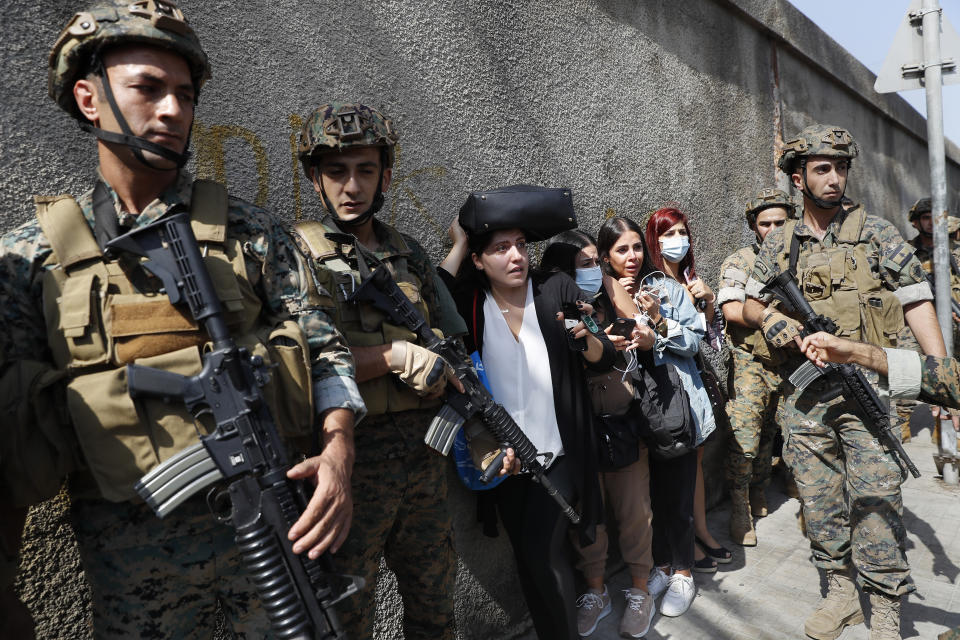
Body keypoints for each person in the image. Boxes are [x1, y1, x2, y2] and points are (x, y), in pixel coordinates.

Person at [0, 2, 362, 637]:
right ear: (89, 98)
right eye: (148, 88)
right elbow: (15, 426)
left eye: (186, 94)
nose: (172, 111)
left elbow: (321, 344)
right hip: (131, 556)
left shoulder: (253, 231)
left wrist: (337, 454)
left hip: (277, 525)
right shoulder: (28, 259)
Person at [742, 124, 947, 640]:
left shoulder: (875, 233)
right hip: (806, 397)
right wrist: (771, 321)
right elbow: (744, 302)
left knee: (877, 500)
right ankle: (840, 592)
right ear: (798, 178)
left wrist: (940, 380)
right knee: (819, 499)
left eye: (841, 168)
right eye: (821, 169)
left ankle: (883, 609)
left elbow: (918, 302)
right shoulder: (781, 240)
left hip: (868, 392)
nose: (834, 179)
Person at [292, 102, 463, 639]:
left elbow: (453, 346)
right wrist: (391, 357)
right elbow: (295, 362)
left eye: (365, 170)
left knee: (435, 601)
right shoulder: (293, 253)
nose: (352, 186)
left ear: (386, 175)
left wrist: (480, 426)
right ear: (316, 179)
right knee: (344, 615)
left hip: (424, 459)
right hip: (348, 461)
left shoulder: (408, 254)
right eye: (336, 171)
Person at [439, 189, 615, 640]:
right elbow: (433, 297)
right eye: (500, 248)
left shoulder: (556, 289)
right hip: (503, 463)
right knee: (528, 560)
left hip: (558, 458)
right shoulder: (472, 305)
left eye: (521, 244)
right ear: (479, 261)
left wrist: (586, 337)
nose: (516, 256)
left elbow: (603, 349)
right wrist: (459, 243)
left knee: (544, 555)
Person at [541, 230, 659, 638]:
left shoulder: (608, 294)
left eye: (596, 261)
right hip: (577, 431)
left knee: (633, 514)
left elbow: (643, 334)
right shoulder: (553, 306)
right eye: (584, 264)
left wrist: (633, 336)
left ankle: (641, 589)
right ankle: (595, 591)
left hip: (622, 422)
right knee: (587, 518)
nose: (594, 270)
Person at [598, 215, 707, 617]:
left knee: (677, 491)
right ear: (606, 257)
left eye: (636, 247)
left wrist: (658, 322)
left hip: (666, 406)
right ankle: (661, 565)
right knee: (647, 501)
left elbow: (696, 338)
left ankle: (683, 572)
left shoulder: (660, 286)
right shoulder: (597, 292)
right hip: (626, 413)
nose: (631, 257)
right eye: (621, 250)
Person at [644, 207, 731, 571]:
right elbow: (686, 341)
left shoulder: (691, 281)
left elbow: (714, 342)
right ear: (654, 240)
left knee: (694, 461)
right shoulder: (654, 286)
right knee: (679, 467)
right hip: (672, 388)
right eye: (668, 234)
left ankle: (700, 532)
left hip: (696, 384)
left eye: (682, 232)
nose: (677, 240)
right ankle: (687, 540)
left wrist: (709, 303)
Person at [716, 188, 791, 546]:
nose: (774, 230)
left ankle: (761, 488)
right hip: (751, 360)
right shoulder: (740, 262)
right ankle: (739, 505)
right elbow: (731, 311)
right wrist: (776, 315)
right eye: (766, 223)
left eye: (781, 222)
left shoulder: (803, 259)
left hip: (792, 361)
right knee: (746, 437)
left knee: (774, 435)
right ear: (753, 226)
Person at [896, 197, 960, 442]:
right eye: (925, 218)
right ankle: (901, 422)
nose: (931, 223)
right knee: (907, 365)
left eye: (936, 218)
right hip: (916, 321)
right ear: (916, 222)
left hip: (954, 320)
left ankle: (944, 424)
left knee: (953, 372)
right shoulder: (906, 252)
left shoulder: (954, 252)